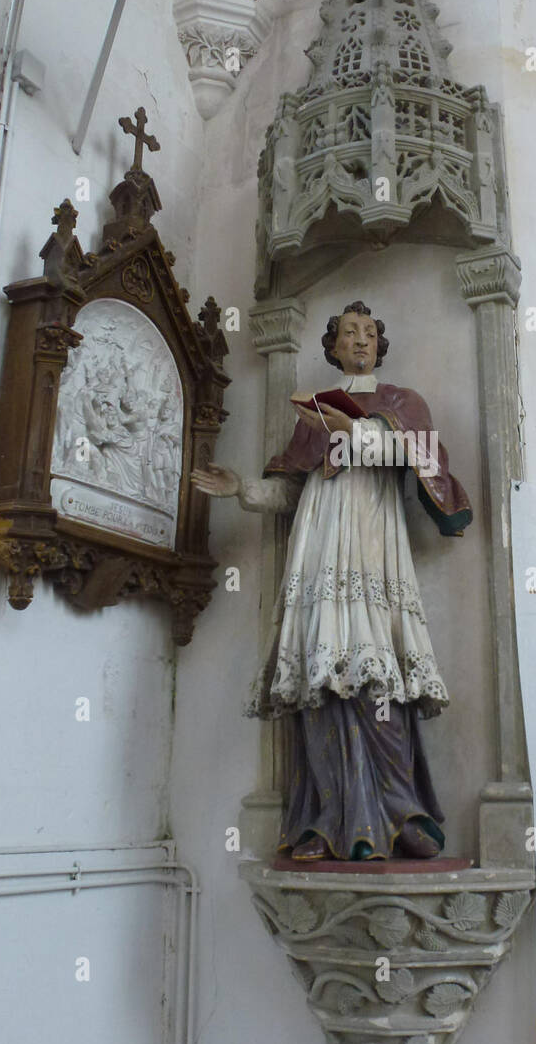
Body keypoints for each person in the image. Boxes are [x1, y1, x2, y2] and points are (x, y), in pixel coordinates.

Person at [191, 302, 471, 862]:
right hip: (319, 549)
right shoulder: (312, 416)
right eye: (348, 333)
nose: (360, 340)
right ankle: (324, 818)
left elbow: (424, 460)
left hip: (373, 549)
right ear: (333, 347)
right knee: (319, 676)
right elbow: (291, 493)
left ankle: (399, 812)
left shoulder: (400, 403)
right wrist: (242, 488)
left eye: (369, 331)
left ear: (380, 345)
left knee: (377, 671)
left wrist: (360, 432)